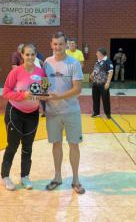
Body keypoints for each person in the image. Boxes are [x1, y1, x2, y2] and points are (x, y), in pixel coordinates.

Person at [44, 31, 85, 194]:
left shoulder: (73, 63)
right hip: (52, 112)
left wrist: (59, 96)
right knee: (56, 144)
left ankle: (75, 179)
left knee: (74, 144)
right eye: (55, 44)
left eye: (61, 44)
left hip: (71, 111)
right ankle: (57, 177)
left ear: (66, 45)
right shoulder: (46, 62)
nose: (58, 47)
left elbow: (78, 88)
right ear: (51, 44)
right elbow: (43, 85)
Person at [1, 44, 46, 191]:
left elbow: (45, 92)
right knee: (13, 145)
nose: (30, 57)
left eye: (33, 54)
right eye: (27, 54)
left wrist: (42, 95)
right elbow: (6, 92)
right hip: (15, 112)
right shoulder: (15, 72)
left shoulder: (42, 72)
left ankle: (25, 176)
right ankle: (5, 176)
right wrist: (22, 95)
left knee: (28, 147)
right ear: (22, 55)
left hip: (32, 114)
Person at [90, 47, 113, 119]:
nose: (96, 54)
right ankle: (96, 113)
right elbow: (96, 70)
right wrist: (92, 74)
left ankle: (107, 114)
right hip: (95, 83)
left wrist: (108, 83)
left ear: (101, 53)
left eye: (97, 52)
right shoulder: (98, 61)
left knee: (105, 99)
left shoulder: (108, 61)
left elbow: (110, 72)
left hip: (103, 83)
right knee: (95, 98)